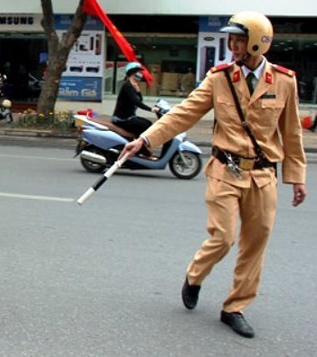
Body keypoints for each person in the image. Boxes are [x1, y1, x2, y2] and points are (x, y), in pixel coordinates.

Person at [119, 11, 307, 338]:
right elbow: (184, 113)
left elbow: (291, 134)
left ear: (257, 44)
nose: (232, 45)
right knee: (223, 237)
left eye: (238, 39)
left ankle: (235, 307)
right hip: (225, 169)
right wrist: (146, 139)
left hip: (263, 175)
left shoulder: (284, 81)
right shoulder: (219, 78)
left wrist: (297, 176)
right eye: (230, 39)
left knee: (256, 242)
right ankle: (195, 276)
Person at [112, 62, 159, 155]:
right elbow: (136, 102)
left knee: (148, 124)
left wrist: (138, 90)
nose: (140, 74)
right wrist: (151, 109)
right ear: (132, 73)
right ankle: (141, 150)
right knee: (144, 125)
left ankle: (139, 148)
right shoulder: (127, 86)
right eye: (138, 72)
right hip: (122, 118)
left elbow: (139, 99)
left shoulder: (133, 85)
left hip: (129, 116)